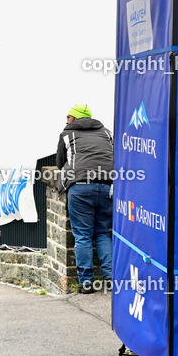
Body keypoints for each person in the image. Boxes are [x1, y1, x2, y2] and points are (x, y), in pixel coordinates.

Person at [55, 104, 114, 295]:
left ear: (76, 118)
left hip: (80, 186)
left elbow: (60, 162)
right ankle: (111, 277)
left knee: (83, 236)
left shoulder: (67, 135)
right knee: (103, 232)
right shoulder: (107, 133)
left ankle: (86, 282)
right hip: (107, 185)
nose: (66, 120)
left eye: (69, 116)